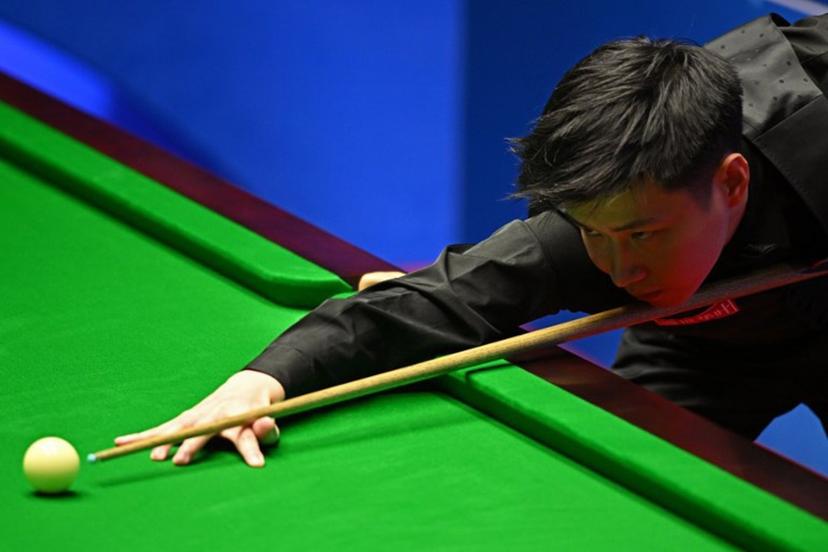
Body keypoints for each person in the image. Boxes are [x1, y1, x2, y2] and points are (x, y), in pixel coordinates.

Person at [115, 13, 828, 467]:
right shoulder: (594, 231)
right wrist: (260, 383)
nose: (616, 266)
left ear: (730, 184)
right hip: (702, 346)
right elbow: (428, 302)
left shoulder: (812, 131)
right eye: (595, 235)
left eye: (641, 235)